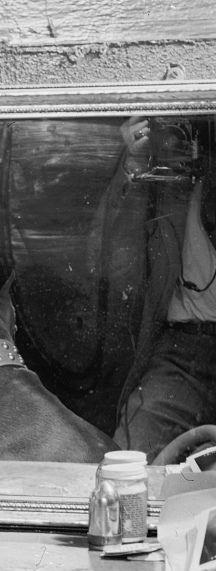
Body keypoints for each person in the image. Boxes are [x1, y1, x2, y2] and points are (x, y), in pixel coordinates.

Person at [114, 115, 216, 462]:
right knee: (128, 461)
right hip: (184, 349)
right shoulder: (171, 180)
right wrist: (135, 161)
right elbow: (112, 256)